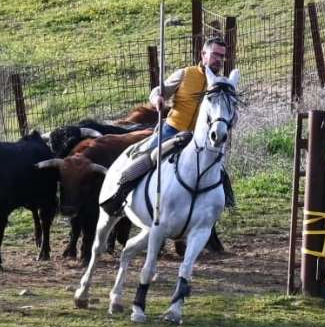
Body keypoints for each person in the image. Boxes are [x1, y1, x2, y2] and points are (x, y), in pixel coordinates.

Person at [100, 37, 235, 215]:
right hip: (172, 130)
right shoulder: (185, 74)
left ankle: (218, 205)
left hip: (200, 138)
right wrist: (157, 98)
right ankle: (120, 194)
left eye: (222, 56)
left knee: (217, 167)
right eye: (215, 54)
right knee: (147, 157)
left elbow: (229, 110)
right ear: (203, 54)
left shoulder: (222, 84)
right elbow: (158, 91)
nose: (219, 60)